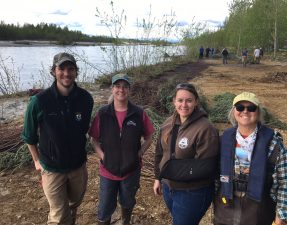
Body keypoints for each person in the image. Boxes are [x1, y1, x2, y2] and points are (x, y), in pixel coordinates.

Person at [22, 52, 94, 224]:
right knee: (58, 214)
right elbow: (29, 135)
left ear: (76, 72)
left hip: (78, 166)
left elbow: (84, 129)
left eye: (71, 69)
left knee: (74, 204)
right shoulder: (39, 101)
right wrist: (36, 161)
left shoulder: (86, 99)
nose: (66, 73)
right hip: (52, 169)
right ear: (53, 71)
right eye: (61, 68)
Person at [214, 92, 287, 225]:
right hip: (226, 206)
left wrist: (281, 215)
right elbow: (215, 175)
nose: (245, 111)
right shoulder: (223, 140)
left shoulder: (273, 143)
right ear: (234, 112)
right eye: (240, 108)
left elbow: (285, 182)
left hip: (259, 207)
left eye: (251, 108)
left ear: (258, 112)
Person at [89, 73, 155, 225]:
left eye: (125, 87)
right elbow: (94, 140)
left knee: (127, 201)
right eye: (117, 86)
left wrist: (139, 154)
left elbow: (149, 138)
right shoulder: (103, 113)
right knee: (105, 206)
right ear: (112, 89)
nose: (121, 90)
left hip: (131, 170)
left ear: (130, 90)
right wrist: (103, 156)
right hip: (108, 171)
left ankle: (125, 221)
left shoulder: (138, 113)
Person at [153, 83, 219, 225]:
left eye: (189, 100)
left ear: (196, 102)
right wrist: (158, 177)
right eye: (180, 100)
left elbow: (206, 167)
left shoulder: (205, 128)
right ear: (174, 101)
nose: (184, 104)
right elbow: (160, 152)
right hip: (168, 187)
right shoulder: (168, 123)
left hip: (192, 192)